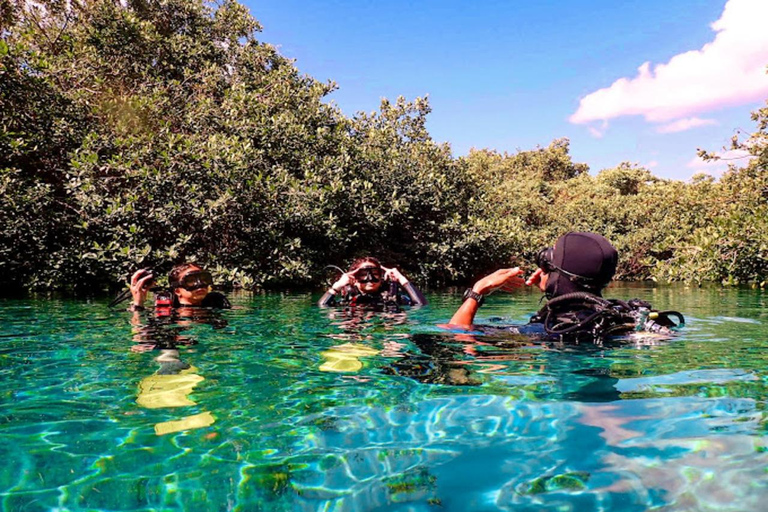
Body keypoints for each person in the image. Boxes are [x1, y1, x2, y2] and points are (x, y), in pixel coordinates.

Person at [450, 232, 683, 339]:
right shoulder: (619, 317)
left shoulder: (544, 332)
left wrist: (478, 290)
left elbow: (454, 335)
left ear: (560, 275)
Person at [318, 257, 427, 308]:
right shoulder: (346, 302)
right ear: (354, 279)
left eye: (375, 274)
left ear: (381, 277)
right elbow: (321, 308)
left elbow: (421, 306)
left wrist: (402, 279)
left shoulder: (394, 299)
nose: (369, 278)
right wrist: (336, 287)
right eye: (363, 274)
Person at [129, 262, 231, 311]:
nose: (200, 285)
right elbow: (140, 339)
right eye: (190, 281)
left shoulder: (218, 303)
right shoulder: (167, 311)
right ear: (177, 290)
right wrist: (138, 304)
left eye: (204, 279)